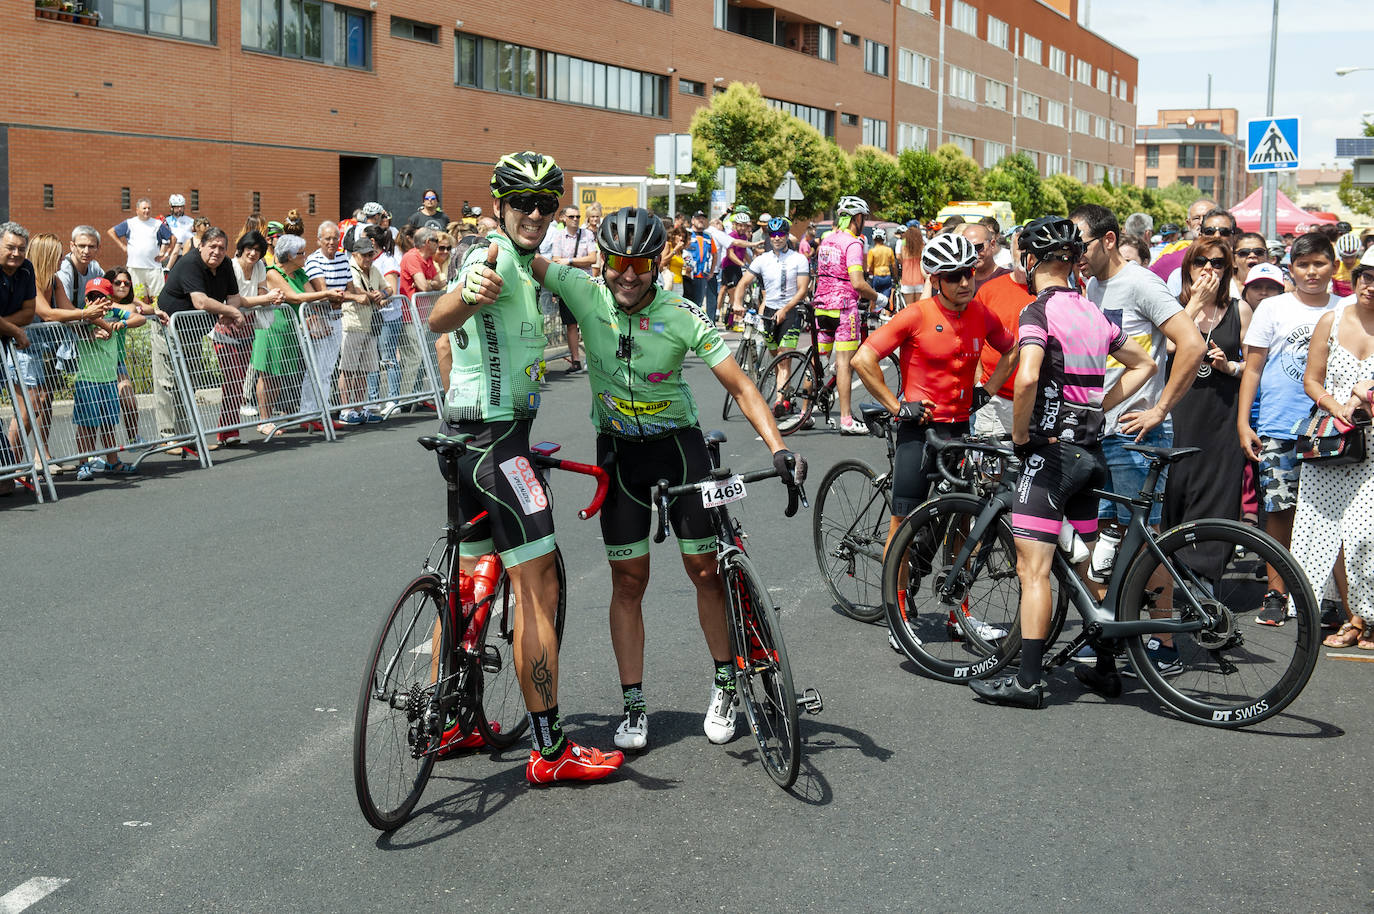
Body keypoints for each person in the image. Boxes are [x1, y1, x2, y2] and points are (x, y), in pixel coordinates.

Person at [530, 205, 804, 751]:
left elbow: (743, 388)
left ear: (658, 264)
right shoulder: (582, 293)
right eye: (618, 262)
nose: (628, 274)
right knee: (628, 583)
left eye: (641, 263)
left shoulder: (682, 314)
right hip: (620, 458)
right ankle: (634, 705)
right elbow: (521, 252)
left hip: (679, 453)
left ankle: (726, 682)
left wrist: (779, 447)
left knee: (705, 573)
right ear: (603, 261)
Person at [429, 151, 624, 784]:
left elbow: (446, 342)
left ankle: (450, 718)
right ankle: (550, 748)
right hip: (497, 448)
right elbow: (441, 316)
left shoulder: (517, 260)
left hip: (466, 444)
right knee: (538, 592)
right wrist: (465, 294)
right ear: (498, 205)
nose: (535, 214)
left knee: (466, 590)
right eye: (523, 203)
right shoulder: (487, 258)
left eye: (546, 204)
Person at [969, 216, 1158, 707]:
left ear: (1030, 262)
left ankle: (1027, 682)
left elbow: (1027, 377)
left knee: (1033, 569)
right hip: (1092, 454)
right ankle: (1106, 669)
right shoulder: (1094, 313)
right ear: (1074, 262)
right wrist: (1102, 405)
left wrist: (1020, 434)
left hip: (1052, 456)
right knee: (1084, 560)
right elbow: (1146, 363)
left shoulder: (1038, 312)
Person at [852, 232, 1017, 649]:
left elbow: (1013, 350)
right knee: (903, 523)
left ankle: (957, 613)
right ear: (936, 279)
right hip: (919, 432)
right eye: (955, 276)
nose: (965, 281)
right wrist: (896, 405)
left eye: (970, 273)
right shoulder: (916, 315)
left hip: (961, 430)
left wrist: (989, 388)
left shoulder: (980, 313)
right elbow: (863, 359)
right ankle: (898, 608)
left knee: (963, 520)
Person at [1071, 205, 1205, 602]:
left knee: (1145, 539)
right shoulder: (1091, 285)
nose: (1075, 254)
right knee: (1103, 540)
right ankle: (1109, 637)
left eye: (1081, 244)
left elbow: (1192, 344)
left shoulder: (1141, 283)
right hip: (1101, 430)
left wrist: (1160, 409)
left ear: (1108, 239)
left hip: (1136, 432)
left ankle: (1163, 642)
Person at [1237, 232, 1341, 624]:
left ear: (1333, 266)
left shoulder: (1345, 308)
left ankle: (1329, 599)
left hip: (1333, 430)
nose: (1312, 272)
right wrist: (1244, 422)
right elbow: (1253, 368)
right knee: (1279, 512)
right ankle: (1276, 592)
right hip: (1279, 426)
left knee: (1330, 515)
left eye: (1319, 263)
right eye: (1303, 264)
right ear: (1291, 268)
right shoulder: (1273, 308)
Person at [1160, 238, 1252, 576]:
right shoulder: (1172, 307)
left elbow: (1254, 367)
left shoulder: (1240, 310)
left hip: (1221, 416)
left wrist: (1230, 367)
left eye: (1217, 262)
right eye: (1200, 261)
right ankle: (1174, 577)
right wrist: (1194, 305)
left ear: (1228, 270)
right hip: (1178, 416)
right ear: (1188, 268)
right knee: (1177, 492)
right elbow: (1166, 347)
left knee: (1216, 497)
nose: (1208, 268)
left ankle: (1206, 580)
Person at [1296, 264, 1374, 649]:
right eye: (1367, 275)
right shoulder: (1331, 318)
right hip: (1334, 442)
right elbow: (1312, 378)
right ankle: (1353, 617)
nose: (1371, 285)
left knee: (1365, 534)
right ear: (1357, 277)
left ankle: (1365, 617)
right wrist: (1334, 404)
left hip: (1372, 450)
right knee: (1328, 534)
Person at [155, 227, 245, 441]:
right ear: (201, 245)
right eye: (212, 246)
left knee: (188, 382)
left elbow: (234, 297)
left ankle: (188, 436)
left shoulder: (226, 265)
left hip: (194, 331)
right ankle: (168, 438)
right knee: (167, 383)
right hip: (168, 327)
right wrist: (230, 311)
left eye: (222, 248)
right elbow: (200, 301)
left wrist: (227, 310)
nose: (217, 251)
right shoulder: (190, 263)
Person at [254, 234, 341, 438]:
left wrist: (324, 302)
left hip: (291, 327)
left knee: (279, 375)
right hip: (272, 327)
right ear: (289, 256)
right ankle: (263, 420)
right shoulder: (273, 273)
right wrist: (327, 294)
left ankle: (271, 418)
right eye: (301, 253)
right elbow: (295, 297)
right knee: (267, 374)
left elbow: (310, 295)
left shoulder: (300, 274)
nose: (305, 256)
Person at [815, 195, 887, 435]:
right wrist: (879, 297)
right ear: (857, 218)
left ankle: (804, 411)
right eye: (863, 218)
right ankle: (846, 419)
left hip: (821, 304)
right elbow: (858, 283)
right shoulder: (854, 244)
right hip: (844, 307)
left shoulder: (826, 240)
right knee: (844, 363)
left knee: (819, 358)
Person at [71, 277, 144, 479]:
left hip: (109, 380)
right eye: (91, 297)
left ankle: (113, 462)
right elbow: (78, 324)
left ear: (109, 299)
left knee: (108, 424)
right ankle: (84, 464)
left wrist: (121, 323)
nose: (96, 301)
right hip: (88, 380)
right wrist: (100, 328)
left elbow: (141, 319)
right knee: (86, 426)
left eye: (101, 297)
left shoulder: (115, 312)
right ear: (86, 300)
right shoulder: (83, 315)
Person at [212, 230, 280, 448]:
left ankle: (228, 430)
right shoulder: (230, 267)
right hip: (226, 325)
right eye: (249, 248)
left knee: (238, 381)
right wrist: (264, 298)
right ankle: (227, 431)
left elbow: (260, 296)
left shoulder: (260, 267)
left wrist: (270, 298)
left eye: (258, 250)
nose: (253, 253)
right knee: (231, 380)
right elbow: (234, 300)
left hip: (248, 325)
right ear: (241, 248)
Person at [732, 216, 810, 402]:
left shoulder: (798, 259)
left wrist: (785, 309)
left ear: (787, 235)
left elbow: (802, 290)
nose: (776, 238)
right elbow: (742, 284)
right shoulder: (762, 260)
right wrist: (737, 302)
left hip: (791, 311)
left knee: (783, 358)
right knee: (775, 357)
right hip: (769, 312)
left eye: (780, 234)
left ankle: (780, 401)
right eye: (772, 234)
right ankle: (785, 389)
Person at [972, 228, 1034, 438]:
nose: (1026, 255)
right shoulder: (989, 291)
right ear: (1012, 250)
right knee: (991, 469)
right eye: (1021, 248)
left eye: (1032, 249)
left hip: (1039, 404)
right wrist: (981, 383)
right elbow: (972, 340)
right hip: (996, 401)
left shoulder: (1051, 294)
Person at [300, 221, 352, 428]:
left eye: (334, 238)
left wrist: (350, 296)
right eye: (327, 238)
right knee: (316, 369)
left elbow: (348, 288)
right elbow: (325, 294)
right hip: (319, 319)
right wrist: (351, 298)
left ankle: (319, 412)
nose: (332, 242)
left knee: (327, 370)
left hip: (337, 319)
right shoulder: (313, 260)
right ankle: (310, 413)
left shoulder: (342, 258)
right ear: (319, 240)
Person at [2, 223, 39, 492]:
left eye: (21, 249)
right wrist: (14, 329)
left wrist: (4, 325)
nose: (16, 253)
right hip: (8, 338)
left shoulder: (26, 269)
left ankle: (4, 474)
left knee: (4, 489)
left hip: (3, 345)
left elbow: (29, 312)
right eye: (10, 247)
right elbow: (21, 322)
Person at [338, 235, 386, 425]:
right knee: (348, 369)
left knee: (364, 370)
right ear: (356, 255)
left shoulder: (373, 269)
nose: (368, 258)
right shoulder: (349, 268)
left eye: (371, 254)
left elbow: (388, 288)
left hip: (369, 325)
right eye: (365, 255)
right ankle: (345, 409)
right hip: (352, 323)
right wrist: (377, 296)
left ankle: (359, 407)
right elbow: (357, 291)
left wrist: (381, 294)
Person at [545, 206, 596, 373]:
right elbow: (556, 261)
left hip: (585, 284)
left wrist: (570, 261)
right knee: (571, 325)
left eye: (578, 216)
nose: (575, 219)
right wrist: (576, 261)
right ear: (563, 218)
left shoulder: (587, 234)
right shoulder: (559, 236)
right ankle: (575, 360)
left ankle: (593, 359)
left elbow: (592, 259)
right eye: (572, 216)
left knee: (589, 323)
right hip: (566, 285)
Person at [106, 199, 172, 300]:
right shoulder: (130, 223)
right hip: (135, 267)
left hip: (153, 268)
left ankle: (158, 315)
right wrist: (123, 246)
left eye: (149, 208)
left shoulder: (157, 224)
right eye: (144, 208)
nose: (147, 210)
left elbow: (173, 238)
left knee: (157, 297)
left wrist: (166, 254)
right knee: (138, 297)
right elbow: (111, 232)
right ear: (137, 210)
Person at [681, 211, 719, 321]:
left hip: (702, 276)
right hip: (687, 275)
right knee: (686, 303)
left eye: (703, 218)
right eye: (698, 218)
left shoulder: (708, 236)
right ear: (693, 220)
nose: (701, 220)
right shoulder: (686, 233)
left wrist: (711, 272)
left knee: (697, 304)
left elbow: (714, 254)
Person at [898, 220, 926, 305]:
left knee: (909, 306)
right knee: (919, 306)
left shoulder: (903, 243)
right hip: (920, 278)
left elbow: (899, 256)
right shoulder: (921, 244)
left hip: (906, 278)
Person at [866, 229, 896, 302]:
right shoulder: (889, 250)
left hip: (877, 276)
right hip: (887, 276)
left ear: (874, 238)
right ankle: (887, 313)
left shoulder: (872, 251)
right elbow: (894, 265)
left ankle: (872, 312)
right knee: (886, 299)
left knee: (874, 297)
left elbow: (869, 267)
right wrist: (895, 276)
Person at [1333, 232, 1363, 298]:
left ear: (1357, 255)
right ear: (1340, 255)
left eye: (1352, 257)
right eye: (1345, 257)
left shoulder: (1363, 267)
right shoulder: (1335, 267)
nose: (1349, 261)